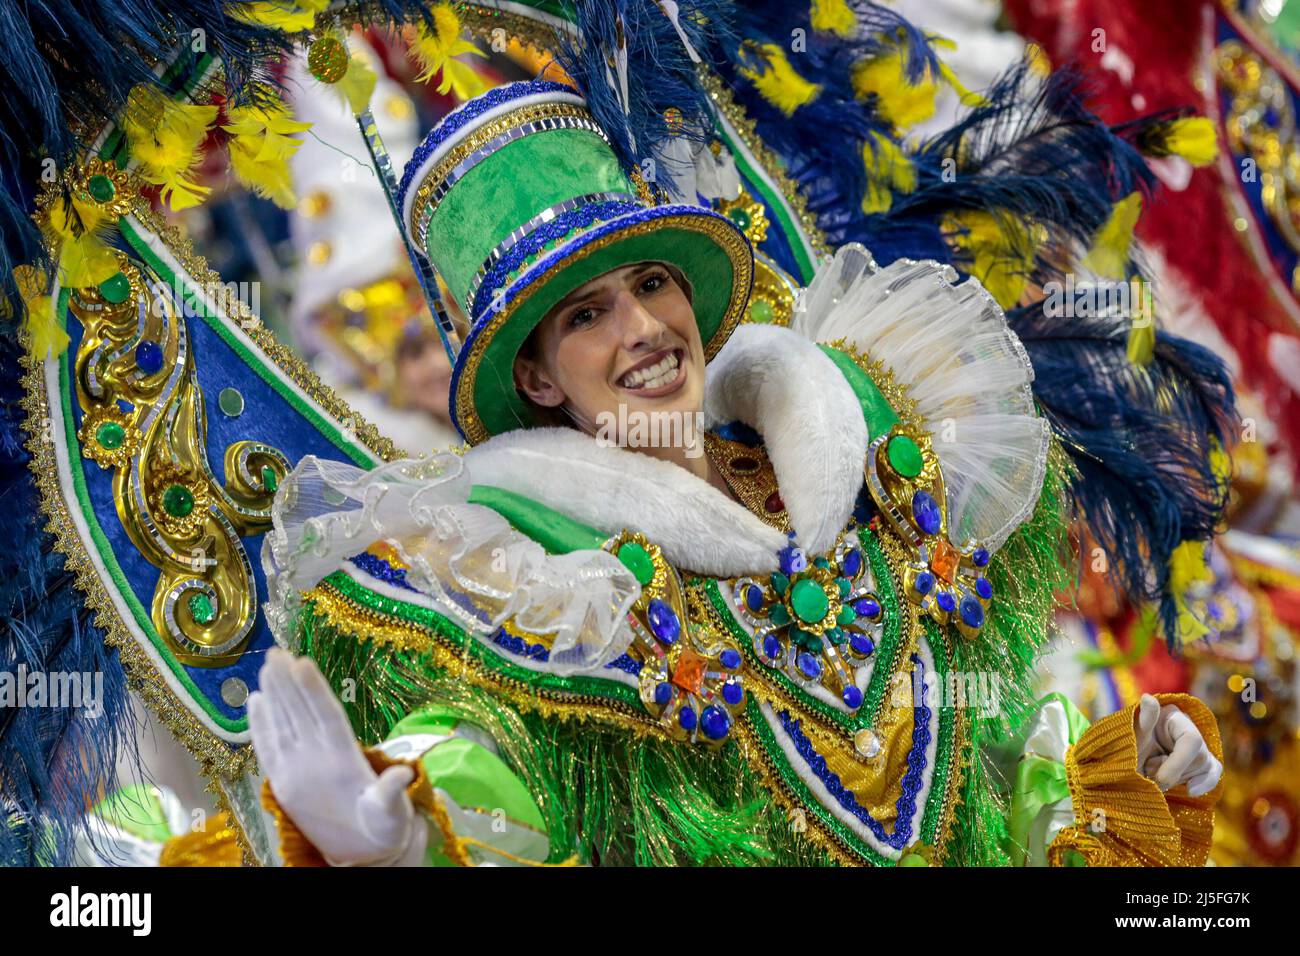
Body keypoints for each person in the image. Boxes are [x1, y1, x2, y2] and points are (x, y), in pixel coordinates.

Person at [248, 80, 1225, 868]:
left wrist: (1120, 772)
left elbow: (994, 759)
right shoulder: (541, 579)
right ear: (537, 376)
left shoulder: (867, 462)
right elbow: (487, 779)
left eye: (651, 282)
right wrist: (400, 834)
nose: (639, 328)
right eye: (583, 314)